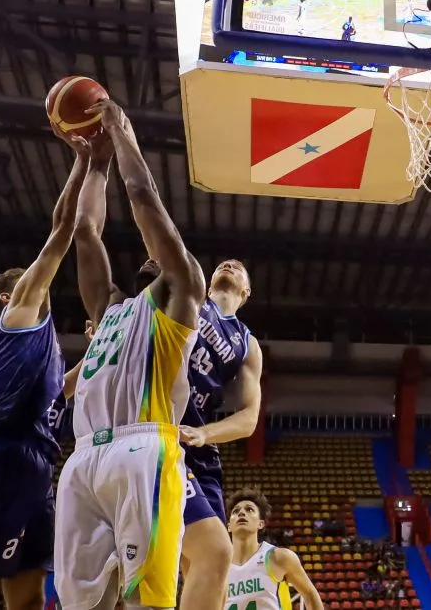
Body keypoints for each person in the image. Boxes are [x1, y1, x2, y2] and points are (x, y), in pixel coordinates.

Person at [54, 101, 207, 610]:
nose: (148, 253)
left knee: (146, 602)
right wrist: (92, 163)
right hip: (82, 458)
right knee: (84, 604)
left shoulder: (183, 289)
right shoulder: (111, 310)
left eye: (156, 251)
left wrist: (121, 135)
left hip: (144, 449)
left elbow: (142, 195)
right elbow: (85, 232)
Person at [0, 139, 87, 610]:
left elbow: (61, 391)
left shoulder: (40, 342)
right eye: (26, 281)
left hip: (37, 466)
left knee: (27, 598)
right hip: (6, 460)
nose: (37, 282)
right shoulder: (16, 320)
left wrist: (100, 346)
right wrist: (85, 163)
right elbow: (61, 231)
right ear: (10, 297)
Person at [133, 257, 262, 605]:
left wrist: (207, 434)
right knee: (215, 551)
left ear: (246, 291)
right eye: (223, 264)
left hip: (201, 445)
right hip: (164, 428)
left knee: (212, 578)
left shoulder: (247, 344)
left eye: (238, 266)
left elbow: (249, 418)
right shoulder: (192, 297)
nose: (230, 265)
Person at [224, 487, 323, 610]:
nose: (241, 513)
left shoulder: (279, 557)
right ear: (228, 526)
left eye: (249, 509)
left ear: (261, 523)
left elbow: (310, 595)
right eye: (235, 511)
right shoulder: (219, 568)